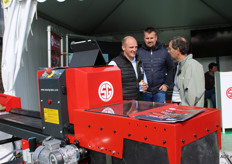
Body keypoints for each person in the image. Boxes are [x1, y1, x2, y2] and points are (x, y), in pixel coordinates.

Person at [137, 27, 174, 103]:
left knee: (159, 114)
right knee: (145, 114)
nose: (149, 40)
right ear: (144, 38)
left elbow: (171, 68)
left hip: (160, 92)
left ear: (156, 38)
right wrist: (139, 86)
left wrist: (166, 85)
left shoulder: (164, 52)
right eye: (147, 38)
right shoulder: (138, 52)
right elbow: (135, 70)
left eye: (151, 38)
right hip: (144, 92)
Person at [168, 36, 205, 107]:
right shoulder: (179, 65)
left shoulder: (193, 65)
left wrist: (182, 110)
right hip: (178, 107)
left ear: (177, 50)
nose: (168, 51)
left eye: (170, 49)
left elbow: (193, 95)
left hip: (186, 110)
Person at [109, 36, 148, 100]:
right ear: (123, 47)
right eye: (131, 47)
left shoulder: (140, 61)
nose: (134, 50)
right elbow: (111, 87)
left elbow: (144, 81)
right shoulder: (114, 63)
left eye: (136, 47)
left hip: (139, 103)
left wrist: (145, 86)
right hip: (124, 105)